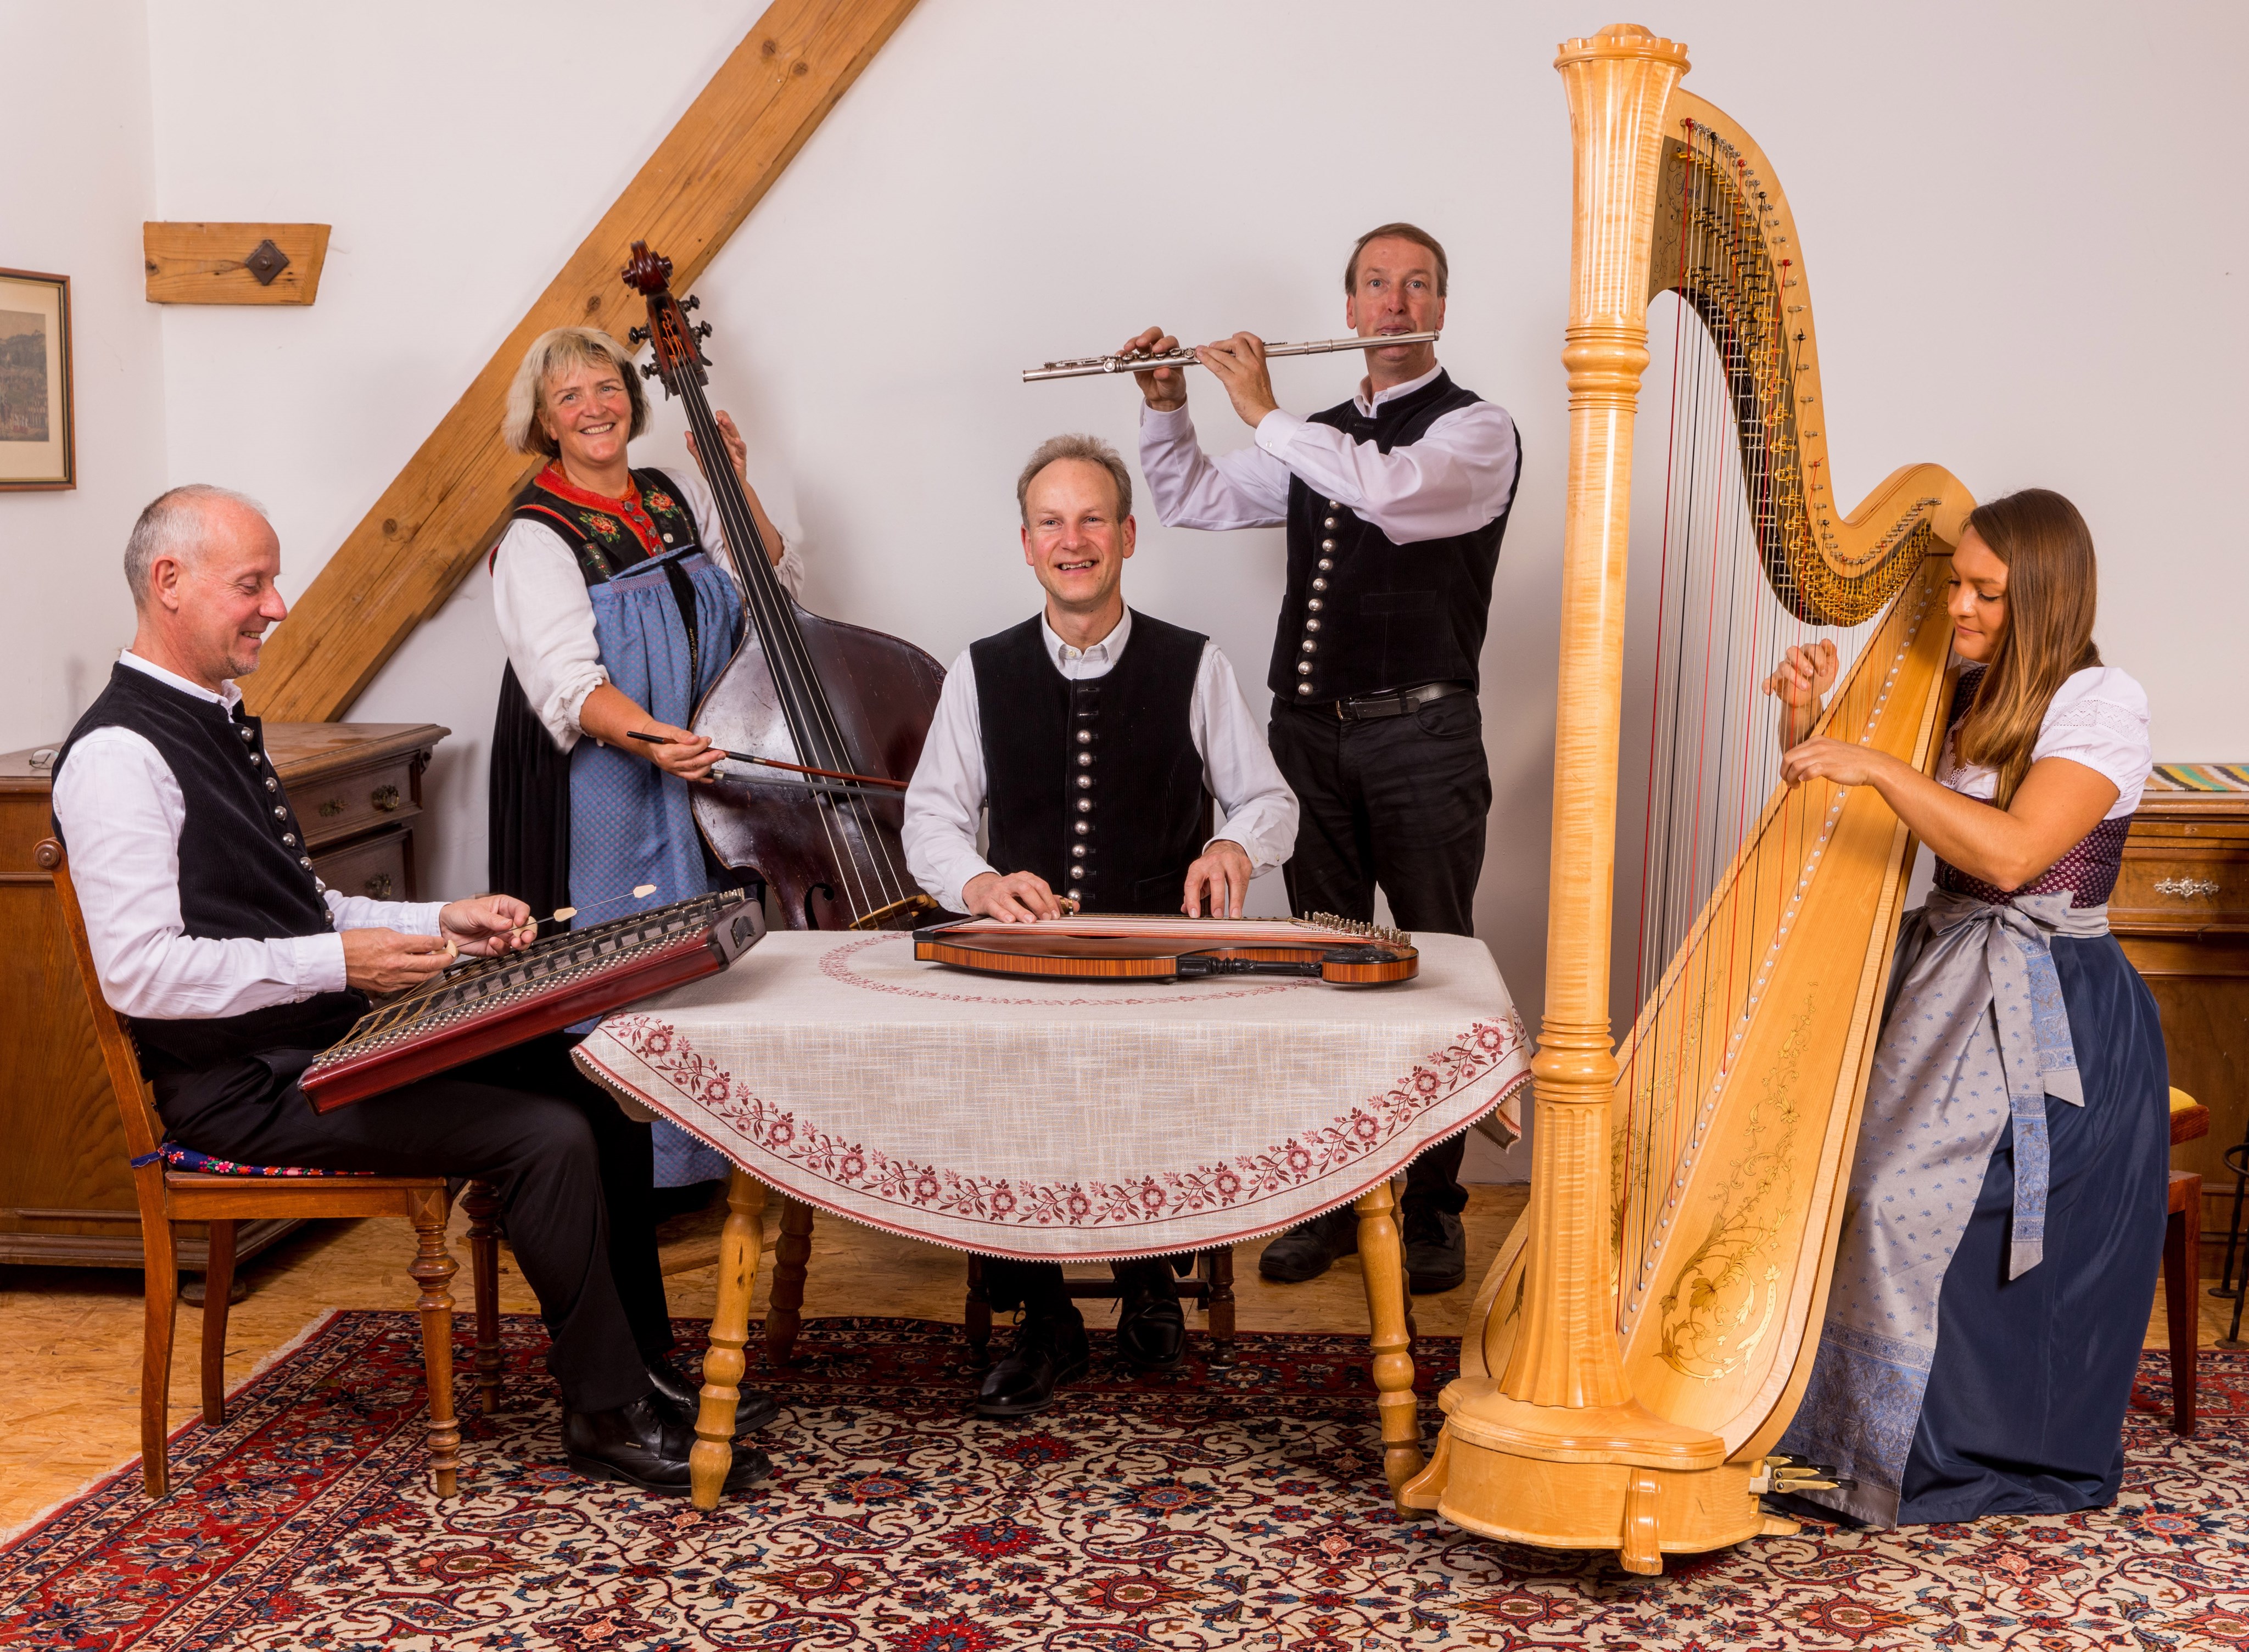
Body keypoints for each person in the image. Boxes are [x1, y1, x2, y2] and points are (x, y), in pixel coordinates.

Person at [51, 485, 781, 1495]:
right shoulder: (118, 756)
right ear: (168, 584)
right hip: (244, 1088)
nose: (278, 606)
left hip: (316, 1047)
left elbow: (302, 908)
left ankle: (644, 1371)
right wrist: (340, 964)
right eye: (252, 584)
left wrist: (436, 919)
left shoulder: (208, 718)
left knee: (595, 1068)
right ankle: (602, 1411)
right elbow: (143, 971)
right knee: (545, 1133)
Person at [1124, 222, 1521, 1292]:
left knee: (1434, 966)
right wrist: (1169, 408)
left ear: (1440, 304)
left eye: (1417, 286)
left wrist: (1261, 413)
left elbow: (1388, 491)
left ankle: (1432, 1208)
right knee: (1330, 964)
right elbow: (1194, 499)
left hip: (1421, 734)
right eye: (1376, 287)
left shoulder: (1476, 432)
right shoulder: (1316, 432)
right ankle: (1342, 1199)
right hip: (1308, 731)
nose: (1394, 305)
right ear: (1348, 309)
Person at [1766, 488, 2165, 1527]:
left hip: (2050, 1016)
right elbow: (1840, 814)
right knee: (1837, 1182)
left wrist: (1877, 763)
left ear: (2046, 594)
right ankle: (1830, 1433)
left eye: (1987, 589)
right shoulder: (1955, 687)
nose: (1961, 605)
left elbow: (2011, 852)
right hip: (1945, 979)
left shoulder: (2100, 702)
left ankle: (1918, 1450)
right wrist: (1808, 725)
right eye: (1957, 581)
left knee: (1898, 1204)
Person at [902, 434, 1298, 1416]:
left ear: (1127, 534)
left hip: (1161, 960)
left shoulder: (1193, 663)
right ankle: (1046, 1318)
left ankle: (1151, 1271)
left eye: (1091, 520)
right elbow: (929, 821)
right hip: (1025, 963)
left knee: (1146, 1074)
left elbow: (1270, 800)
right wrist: (984, 882)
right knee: (997, 1074)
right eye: (1051, 522)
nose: (1072, 540)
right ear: (1026, 545)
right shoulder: (979, 669)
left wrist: (1235, 850)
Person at [488, 325, 801, 1190]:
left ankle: (715, 1162)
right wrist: (664, 745)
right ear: (545, 422)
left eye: (607, 387)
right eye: (570, 397)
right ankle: (633, 1176)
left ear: (633, 396)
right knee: (621, 959)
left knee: (714, 954)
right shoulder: (536, 536)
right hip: (605, 778)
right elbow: (568, 684)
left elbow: (765, 578)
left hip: (701, 766)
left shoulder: (670, 492)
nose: (594, 408)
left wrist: (735, 485)